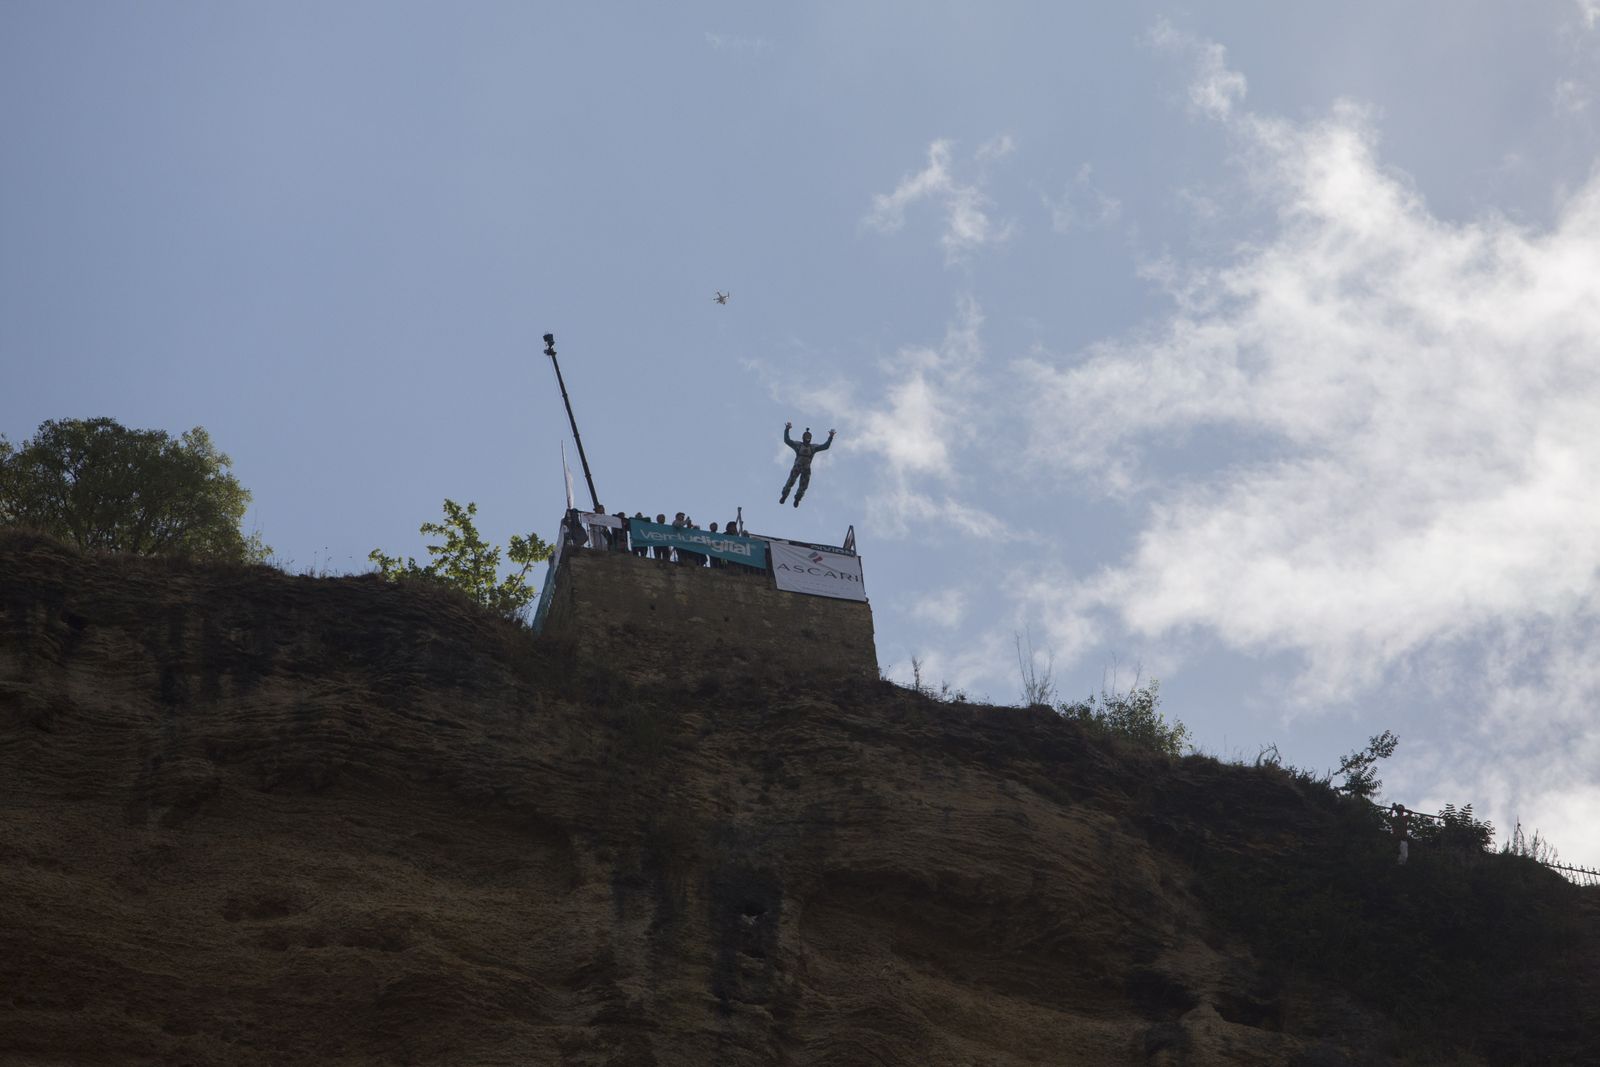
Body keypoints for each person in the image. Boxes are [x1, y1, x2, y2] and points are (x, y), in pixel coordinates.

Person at [779, 421, 835, 507]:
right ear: (803, 438)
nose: (807, 438)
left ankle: (797, 498)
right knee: (790, 482)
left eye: (809, 437)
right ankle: (784, 495)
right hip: (797, 467)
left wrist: (830, 437)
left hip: (806, 468)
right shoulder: (798, 445)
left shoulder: (813, 447)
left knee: (803, 486)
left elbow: (825, 446)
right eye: (806, 436)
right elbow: (787, 440)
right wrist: (787, 429)